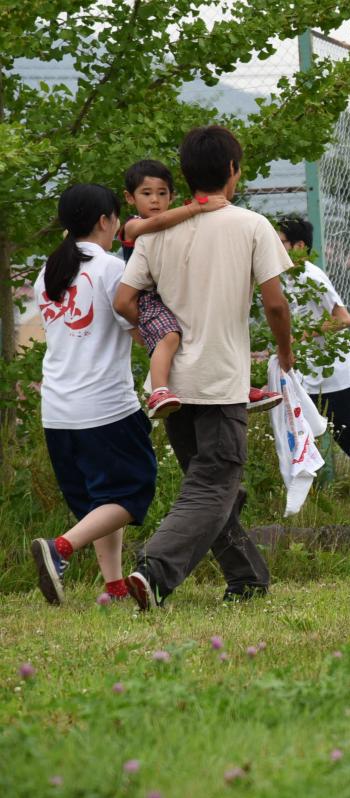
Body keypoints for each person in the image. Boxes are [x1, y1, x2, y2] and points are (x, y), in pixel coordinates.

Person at [115, 125, 294, 609]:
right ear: (233, 171)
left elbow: (126, 299)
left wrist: (156, 335)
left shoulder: (159, 229)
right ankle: (154, 571)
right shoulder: (252, 225)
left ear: (185, 175)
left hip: (170, 386)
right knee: (215, 485)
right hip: (219, 382)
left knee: (211, 486)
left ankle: (248, 579)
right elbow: (275, 305)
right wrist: (285, 352)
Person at [29, 184, 158, 605]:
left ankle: (114, 584)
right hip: (105, 407)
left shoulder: (46, 273)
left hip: (58, 411)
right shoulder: (109, 269)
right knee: (132, 490)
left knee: (101, 501)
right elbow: (138, 327)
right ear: (106, 220)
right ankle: (60, 548)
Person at [119, 159, 281, 418]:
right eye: (146, 194)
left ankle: (239, 385)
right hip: (147, 298)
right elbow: (155, 225)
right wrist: (197, 208)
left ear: (172, 195)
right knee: (170, 336)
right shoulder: (135, 225)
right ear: (130, 198)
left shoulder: (169, 224)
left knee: (214, 319)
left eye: (162, 194)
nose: (155, 201)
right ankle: (159, 390)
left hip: (161, 294)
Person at [277, 217, 350, 493]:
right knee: (297, 442)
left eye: (281, 242)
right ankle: (305, 505)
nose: (275, 247)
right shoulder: (282, 279)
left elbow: (343, 319)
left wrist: (302, 335)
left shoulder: (311, 275)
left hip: (335, 377)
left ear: (299, 246)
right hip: (305, 377)